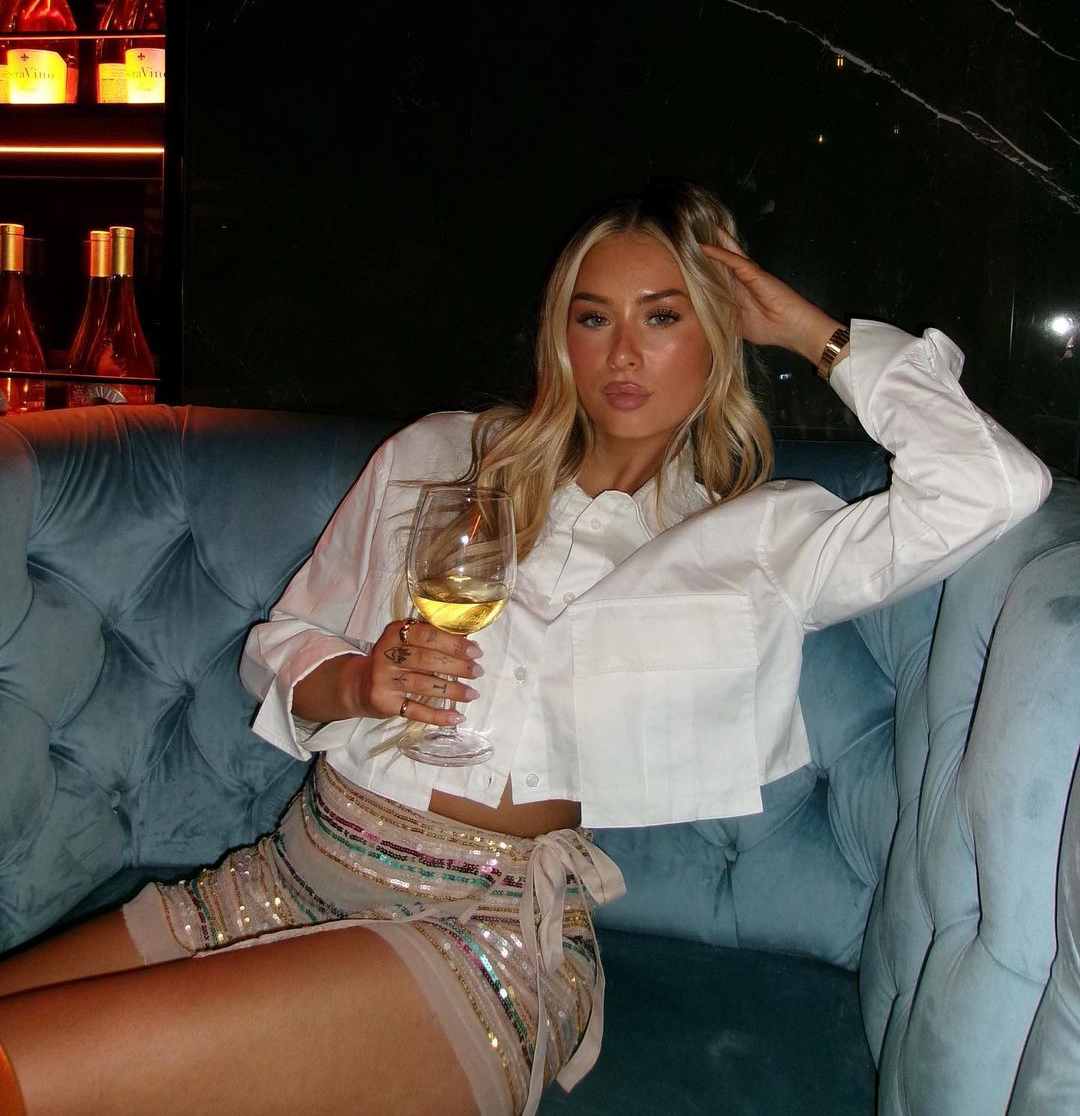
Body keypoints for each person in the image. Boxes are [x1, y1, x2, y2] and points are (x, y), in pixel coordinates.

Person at [0, 178, 1051, 1116]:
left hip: (485, 933)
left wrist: (818, 335)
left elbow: (994, 486)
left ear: (721, 331)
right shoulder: (440, 456)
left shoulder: (760, 539)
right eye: (594, 318)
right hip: (289, 874)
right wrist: (360, 680)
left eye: (663, 316)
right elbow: (284, 645)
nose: (622, 354)